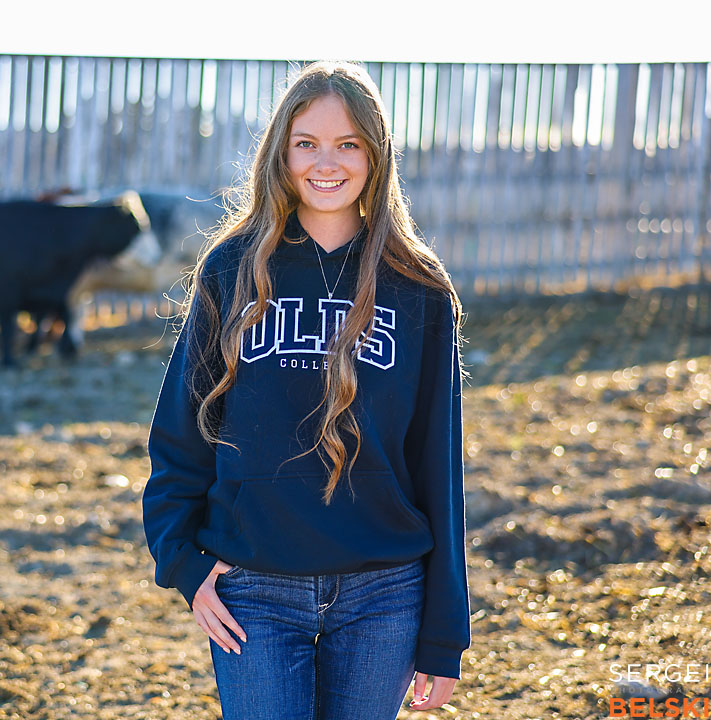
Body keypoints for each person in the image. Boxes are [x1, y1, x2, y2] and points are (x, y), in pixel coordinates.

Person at [141, 60, 470, 720]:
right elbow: (181, 432)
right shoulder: (233, 268)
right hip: (254, 589)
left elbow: (440, 467)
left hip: (384, 593)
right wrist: (182, 561)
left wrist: (444, 635)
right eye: (307, 143)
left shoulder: (418, 285)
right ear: (281, 155)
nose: (327, 162)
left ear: (376, 156)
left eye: (349, 144)